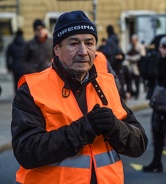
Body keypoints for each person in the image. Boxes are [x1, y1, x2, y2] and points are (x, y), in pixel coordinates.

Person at [11, 10, 148, 184]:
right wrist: (85, 128)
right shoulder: (32, 88)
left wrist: (115, 127)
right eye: (74, 43)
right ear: (57, 50)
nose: (83, 51)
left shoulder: (108, 83)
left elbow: (139, 144)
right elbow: (26, 152)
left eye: (89, 43)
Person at [142, 36, 166, 173]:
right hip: (159, 105)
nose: (161, 50)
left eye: (163, 48)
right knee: (157, 134)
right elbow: (151, 75)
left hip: (162, 104)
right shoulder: (160, 60)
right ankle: (156, 163)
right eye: (161, 47)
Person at [126, 34, 146, 99]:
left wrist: (134, 58)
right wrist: (130, 58)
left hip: (137, 66)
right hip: (130, 66)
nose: (133, 41)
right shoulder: (130, 46)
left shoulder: (140, 46)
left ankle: (137, 93)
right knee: (130, 81)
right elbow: (127, 54)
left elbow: (142, 55)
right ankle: (132, 92)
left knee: (137, 81)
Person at [6, 29, 25, 93]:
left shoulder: (11, 45)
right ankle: (23, 96)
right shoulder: (26, 44)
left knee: (16, 82)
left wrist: (9, 67)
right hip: (24, 66)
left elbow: (8, 57)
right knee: (23, 82)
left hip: (15, 66)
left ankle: (16, 95)